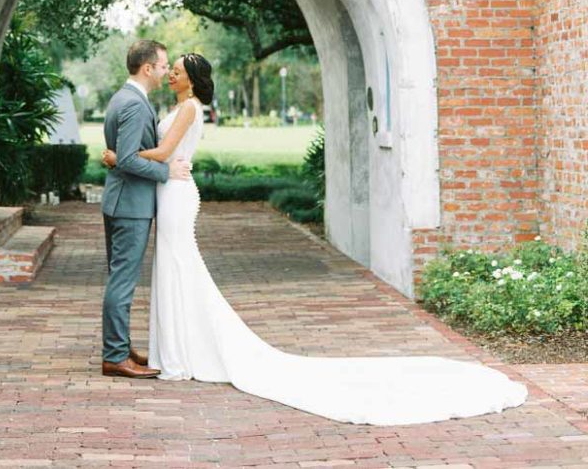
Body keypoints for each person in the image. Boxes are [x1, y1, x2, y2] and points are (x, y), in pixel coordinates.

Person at [102, 52, 529, 426]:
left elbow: (162, 154)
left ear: (192, 79)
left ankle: (183, 351)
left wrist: (116, 158)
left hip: (177, 193)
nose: (171, 74)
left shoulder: (191, 108)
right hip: (167, 190)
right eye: (168, 69)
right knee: (172, 268)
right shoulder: (173, 106)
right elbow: (158, 151)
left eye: (176, 70)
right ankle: (172, 347)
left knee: (179, 266)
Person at [101, 39, 191, 379]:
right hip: (130, 205)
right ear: (148, 68)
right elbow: (125, 159)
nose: (167, 71)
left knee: (119, 277)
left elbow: (117, 154)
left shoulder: (121, 98)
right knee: (122, 281)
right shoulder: (136, 105)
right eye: (165, 65)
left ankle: (120, 348)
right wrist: (166, 172)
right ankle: (114, 355)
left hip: (120, 200)